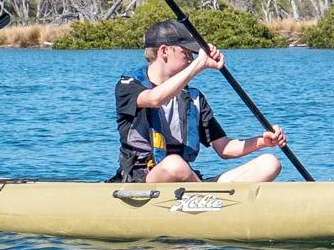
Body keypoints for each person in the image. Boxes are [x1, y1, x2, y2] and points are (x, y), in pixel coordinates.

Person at [114, 20, 286, 183]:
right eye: (186, 52)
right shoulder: (129, 85)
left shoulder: (194, 98)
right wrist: (199, 65)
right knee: (174, 164)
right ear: (164, 51)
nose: (190, 58)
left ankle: (207, 198)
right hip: (143, 179)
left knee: (270, 163)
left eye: (193, 55)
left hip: (189, 181)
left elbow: (224, 148)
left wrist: (263, 141)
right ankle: (206, 198)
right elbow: (154, 99)